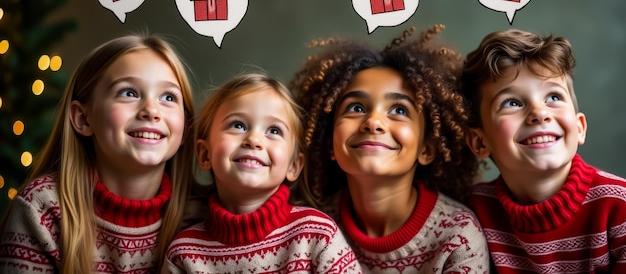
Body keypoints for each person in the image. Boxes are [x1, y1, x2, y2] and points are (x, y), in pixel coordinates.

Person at [289, 25, 489, 273]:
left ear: (426, 149)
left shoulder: (459, 237)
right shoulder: (308, 228)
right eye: (356, 108)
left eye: (399, 110)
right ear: (330, 143)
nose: (373, 122)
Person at [0, 34, 196, 273]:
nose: (151, 111)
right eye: (129, 93)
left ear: (185, 127)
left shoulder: (199, 216)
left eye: (168, 97)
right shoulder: (41, 209)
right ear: (83, 118)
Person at [461, 29, 626, 273]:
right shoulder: (470, 213)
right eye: (512, 103)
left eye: (553, 97)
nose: (539, 113)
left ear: (579, 128)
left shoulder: (619, 208)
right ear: (479, 142)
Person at [163, 73, 362, 273]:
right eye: (238, 125)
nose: (254, 140)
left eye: (274, 131)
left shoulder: (318, 235)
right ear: (205, 154)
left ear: (293, 166)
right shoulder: (183, 253)